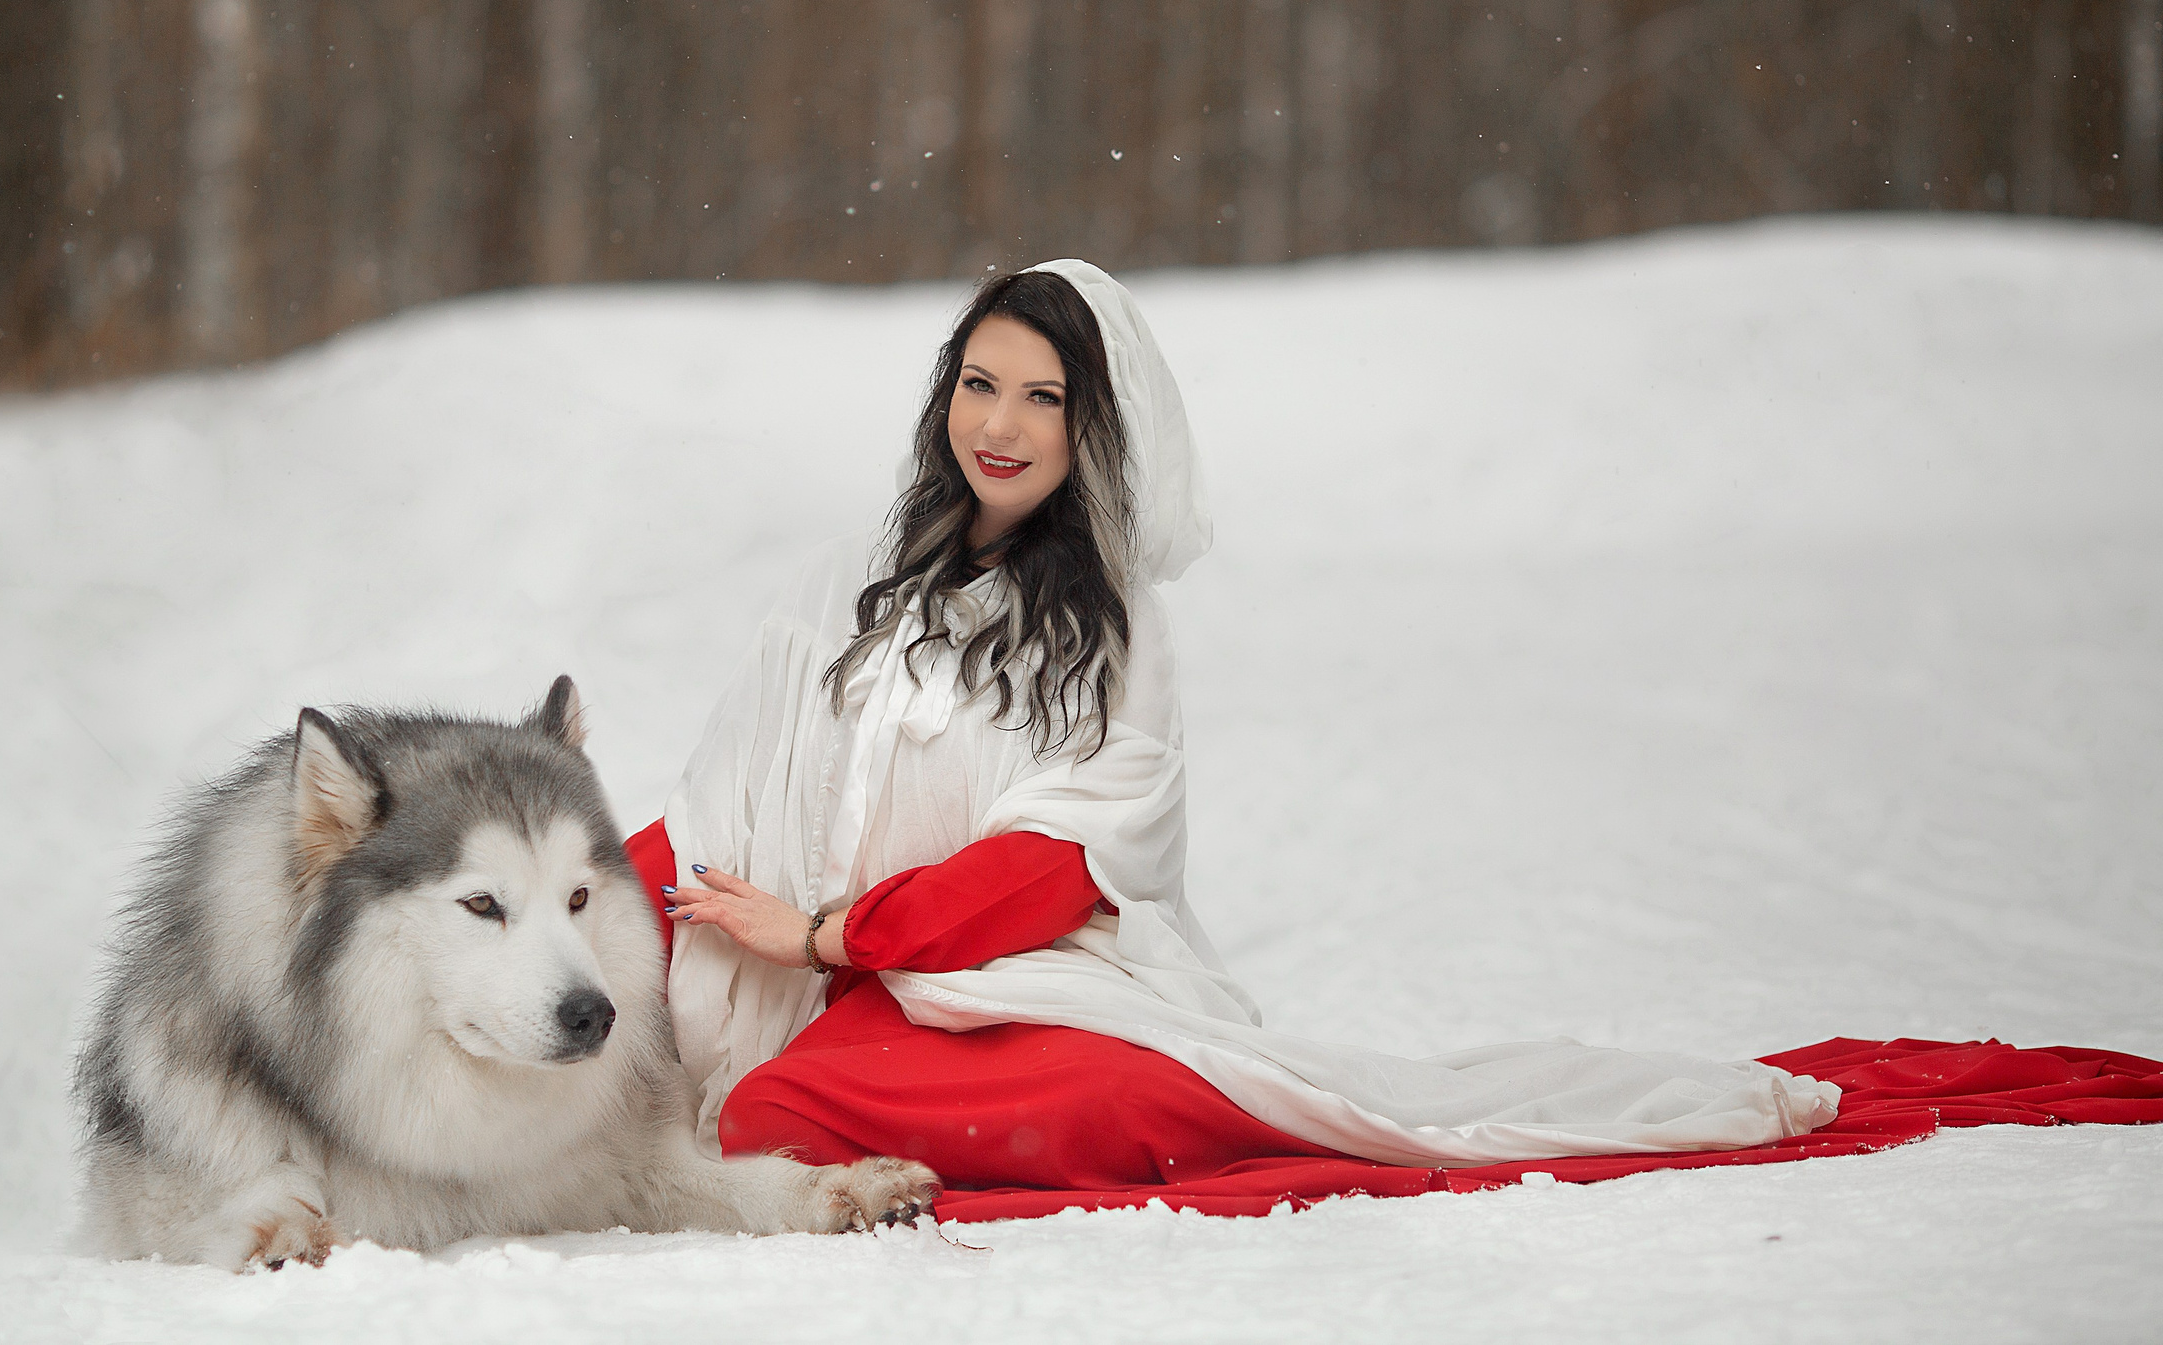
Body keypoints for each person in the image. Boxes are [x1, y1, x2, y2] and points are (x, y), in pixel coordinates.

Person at [622, 258, 1850, 1201]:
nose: (997, 423)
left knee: (794, 1116)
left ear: (1092, 426)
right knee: (737, 1089)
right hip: (806, 984)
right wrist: (593, 891)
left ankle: (1219, 1103)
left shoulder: (1114, 630)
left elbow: (1053, 871)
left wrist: (836, 934)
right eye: (978, 382)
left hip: (991, 985)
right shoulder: (844, 579)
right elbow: (724, 797)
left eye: (1042, 398)